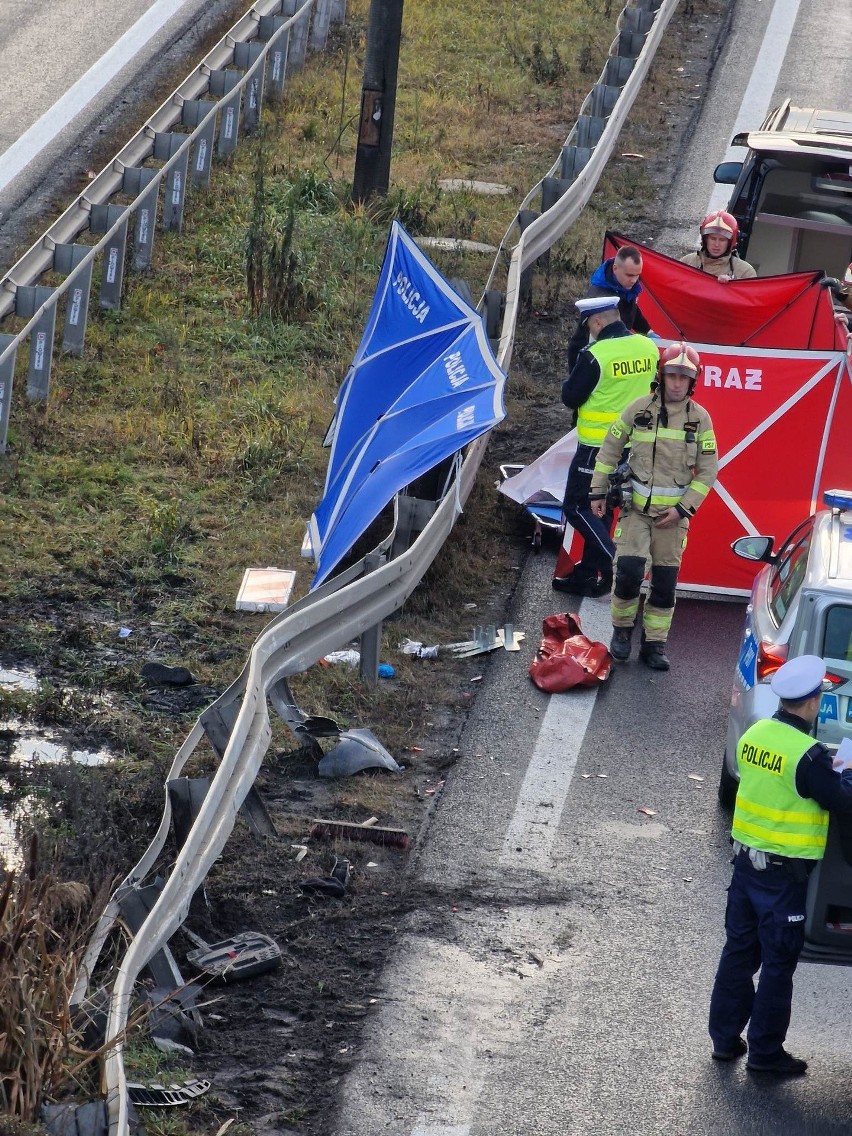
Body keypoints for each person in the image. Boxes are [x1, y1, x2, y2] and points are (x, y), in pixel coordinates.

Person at [708, 655, 852, 1077]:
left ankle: (723, 1039)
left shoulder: (755, 735)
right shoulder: (808, 755)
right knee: (777, 964)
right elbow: (841, 799)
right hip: (783, 879)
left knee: (738, 953)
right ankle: (765, 1052)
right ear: (811, 702)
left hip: (745, 867)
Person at [588, 342, 717, 669]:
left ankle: (654, 646)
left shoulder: (700, 420)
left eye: (684, 378)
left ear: (693, 382)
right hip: (636, 514)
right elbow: (609, 450)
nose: (677, 383)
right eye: (672, 375)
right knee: (629, 573)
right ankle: (621, 633)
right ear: (662, 375)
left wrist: (681, 509)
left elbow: (707, 472)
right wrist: (597, 491)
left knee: (664, 585)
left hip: (673, 521)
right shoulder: (638, 410)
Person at [555, 295, 659, 597]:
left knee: (576, 506)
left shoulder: (595, 355)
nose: (589, 329)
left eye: (589, 324)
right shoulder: (647, 346)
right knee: (601, 508)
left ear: (597, 322)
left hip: (596, 446)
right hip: (632, 443)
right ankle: (587, 575)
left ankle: (614, 564)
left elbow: (570, 397)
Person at [567, 246, 653, 368]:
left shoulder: (625, 286)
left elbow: (632, 309)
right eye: (629, 275)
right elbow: (597, 340)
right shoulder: (600, 299)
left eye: (637, 275)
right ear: (615, 268)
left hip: (615, 351)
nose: (634, 280)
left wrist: (647, 331)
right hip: (593, 358)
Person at [679, 210, 756, 281]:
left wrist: (735, 283)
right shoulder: (687, 262)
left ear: (730, 242)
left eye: (722, 240)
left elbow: (751, 294)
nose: (716, 244)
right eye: (713, 238)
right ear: (705, 239)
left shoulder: (745, 271)